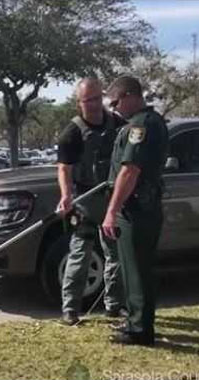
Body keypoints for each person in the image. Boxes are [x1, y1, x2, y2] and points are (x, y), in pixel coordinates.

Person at [101, 76, 169, 346]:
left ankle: (140, 330)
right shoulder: (148, 122)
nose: (115, 108)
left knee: (138, 270)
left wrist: (111, 211)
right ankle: (135, 322)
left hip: (137, 208)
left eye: (116, 102)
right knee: (133, 268)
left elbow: (129, 171)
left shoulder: (141, 125)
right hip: (141, 206)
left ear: (130, 95)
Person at [56, 77, 125, 326]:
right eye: (88, 100)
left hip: (113, 199)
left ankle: (114, 307)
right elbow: (64, 168)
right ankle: (70, 310)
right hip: (86, 201)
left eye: (97, 98)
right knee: (80, 255)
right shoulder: (72, 133)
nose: (94, 104)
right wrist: (66, 196)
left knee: (116, 254)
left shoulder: (118, 124)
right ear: (79, 103)